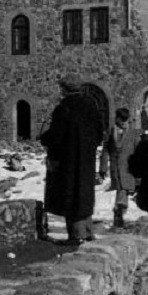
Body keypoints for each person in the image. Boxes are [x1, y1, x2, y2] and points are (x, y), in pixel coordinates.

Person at [39, 73, 104, 246]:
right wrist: (89, 148)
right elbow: (99, 132)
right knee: (84, 194)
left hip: (67, 161)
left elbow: (57, 136)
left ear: (65, 89)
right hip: (86, 159)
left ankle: (76, 235)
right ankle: (88, 231)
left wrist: (45, 139)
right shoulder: (91, 105)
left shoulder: (64, 108)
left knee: (70, 196)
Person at [99, 107, 140, 228]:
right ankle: (119, 213)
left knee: (124, 190)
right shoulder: (111, 132)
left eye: (125, 120)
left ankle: (119, 213)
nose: (123, 122)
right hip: (116, 167)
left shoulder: (133, 133)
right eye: (120, 119)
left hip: (128, 167)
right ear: (116, 119)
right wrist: (103, 168)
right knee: (122, 190)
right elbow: (105, 151)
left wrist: (139, 168)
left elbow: (138, 151)